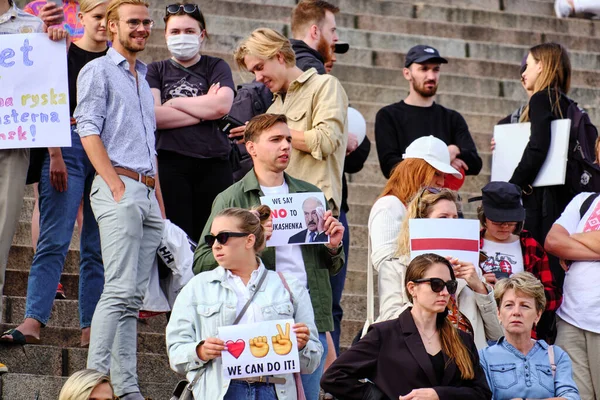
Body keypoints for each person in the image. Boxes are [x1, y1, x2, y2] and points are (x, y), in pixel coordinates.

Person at [193, 114, 344, 400]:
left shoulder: (310, 193)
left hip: (305, 317)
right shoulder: (231, 199)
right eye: (275, 140)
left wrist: (334, 245)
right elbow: (201, 261)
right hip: (256, 319)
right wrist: (248, 241)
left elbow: (332, 266)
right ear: (251, 148)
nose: (286, 145)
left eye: (288, 139)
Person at [0, 0, 108, 349]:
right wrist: (55, 154)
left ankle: (91, 324)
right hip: (69, 145)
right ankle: (34, 319)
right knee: (54, 238)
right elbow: (46, 102)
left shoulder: (119, 64)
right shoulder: (62, 52)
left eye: (112, 17)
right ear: (82, 17)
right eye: (98, 16)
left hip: (108, 150)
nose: (105, 23)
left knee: (97, 244)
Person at [73, 0, 164, 397]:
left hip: (146, 191)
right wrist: (115, 185)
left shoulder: (143, 78)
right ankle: (91, 385)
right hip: (120, 188)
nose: (142, 28)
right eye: (133, 22)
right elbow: (87, 130)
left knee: (131, 297)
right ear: (111, 26)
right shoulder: (97, 70)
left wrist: (156, 200)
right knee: (119, 290)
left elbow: (151, 146)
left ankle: (126, 389)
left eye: (146, 22)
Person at [168, 206, 322, 399]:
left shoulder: (290, 287)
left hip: (275, 390)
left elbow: (313, 361)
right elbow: (175, 352)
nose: (215, 245)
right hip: (221, 391)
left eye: (223, 237)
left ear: (249, 240)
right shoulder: (197, 287)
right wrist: (200, 350)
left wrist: (301, 345)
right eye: (211, 239)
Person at [321, 253, 492, 399]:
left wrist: (438, 395)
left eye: (450, 286)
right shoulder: (384, 333)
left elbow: (482, 393)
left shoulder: (462, 339)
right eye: (436, 284)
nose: (445, 292)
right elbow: (334, 377)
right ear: (412, 288)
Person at [0, 0, 66, 374]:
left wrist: (54, 40)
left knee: (0, 241)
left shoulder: (32, 25)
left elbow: (47, 82)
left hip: (13, 143)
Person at [234, 28, 348, 218]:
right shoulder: (273, 108)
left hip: (315, 210)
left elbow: (326, 141)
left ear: (279, 56)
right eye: (254, 71)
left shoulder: (325, 85)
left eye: (260, 67)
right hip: (280, 211)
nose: (258, 78)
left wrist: (271, 134)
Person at [146, 3, 235, 242]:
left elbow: (222, 106)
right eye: (174, 32)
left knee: (217, 238)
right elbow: (153, 116)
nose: (181, 37)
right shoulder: (156, 70)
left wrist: (173, 102)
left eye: (189, 30)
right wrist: (205, 107)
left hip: (214, 163)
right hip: (171, 163)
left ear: (201, 34)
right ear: (165, 35)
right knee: (180, 239)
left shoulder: (216, 66)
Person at [384, 188, 503, 349]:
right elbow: (389, 322)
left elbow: (497, 334)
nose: (451, 223)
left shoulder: (470, 268)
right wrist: (430, 280)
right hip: (417, 357)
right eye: (443, 217)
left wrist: (479, 288)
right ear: (422, 222)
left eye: (455, 217)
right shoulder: (397, 267)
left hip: (465, 360)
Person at [508, 42, 573, 290]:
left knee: (538, 267)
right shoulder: (568, 104)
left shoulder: (541, 99)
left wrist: (512, 185)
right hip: (565, 195)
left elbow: (538, 147)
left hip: (544, 199)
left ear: (542, 66)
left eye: (529, 65)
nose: (524, 73)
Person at [374, 44, 482, 190]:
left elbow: (475, 163)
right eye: (423, 69)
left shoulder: (452, 118)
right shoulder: (388, 115)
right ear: (407, 73)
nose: (431, 76)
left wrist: (454, 150)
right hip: (407, 198)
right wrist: (442, 159)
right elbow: (390, 166)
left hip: (445, 201)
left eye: (436, 69)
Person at [477, 181, 561, 342]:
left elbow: (554, 297)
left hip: (521, 334)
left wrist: (525, 293)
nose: (505, 226)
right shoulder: (470, 243)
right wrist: (480, 285)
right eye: (497, 221)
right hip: (479, 328)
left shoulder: (530, 246)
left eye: (511, 221)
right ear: (484, 217)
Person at [479, 272, 580, 400]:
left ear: (537, 315)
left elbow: (571, 397)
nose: (516, 312)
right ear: (499, 313)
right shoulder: (484, 357)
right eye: (509, 305)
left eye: (525, 306)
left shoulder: (556, 356)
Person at [369, 136, 461, 273]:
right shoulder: (389, 205)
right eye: (436, 174)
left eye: (444, 177)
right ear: (416, 171)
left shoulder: (414, 206)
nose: (441, 182)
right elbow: (385, 263)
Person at [545, 192, 600, 399]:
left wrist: (572, 242)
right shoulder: (585, 200)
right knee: (571, 395)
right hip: (570, 319)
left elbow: (563, 241)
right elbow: (552, 241)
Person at [289, 0, 339, 75]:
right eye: (332, 30)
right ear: (315, 32)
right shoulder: (313, 68)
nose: (336, 38)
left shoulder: (277, 64)